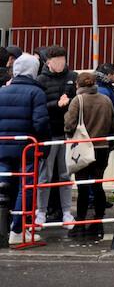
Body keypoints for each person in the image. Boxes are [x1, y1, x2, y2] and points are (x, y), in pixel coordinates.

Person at [0, 54, 50, 243]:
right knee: (26, 186)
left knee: (3, 185)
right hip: (27, 148)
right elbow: (40, 123)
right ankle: (17, 229)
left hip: (3, 146)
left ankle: (2, 227)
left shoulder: (2, 91)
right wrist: (44, 143)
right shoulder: (36, 93)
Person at [63, 72, 114, 241]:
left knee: (83, 186)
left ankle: (81, 221)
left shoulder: (78, 100)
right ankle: (98, 220)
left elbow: (69, 125)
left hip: (83, 149)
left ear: (78, 85)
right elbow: (113, 124)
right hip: (102, 148)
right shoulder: (106, 100)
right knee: (98, 184)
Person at [35, 45, 76, 229]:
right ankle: (40, 211)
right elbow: (40, 105)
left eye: (63, 60)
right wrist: (56, 104)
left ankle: (67, 212)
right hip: (49, 134)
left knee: (65, 175)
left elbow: (78, 100)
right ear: (48, 62)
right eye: (56, 60)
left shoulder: (72, 77)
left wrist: (69, 103)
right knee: (45, 175)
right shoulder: (41, 80)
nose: (60, 64)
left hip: (67, 133)